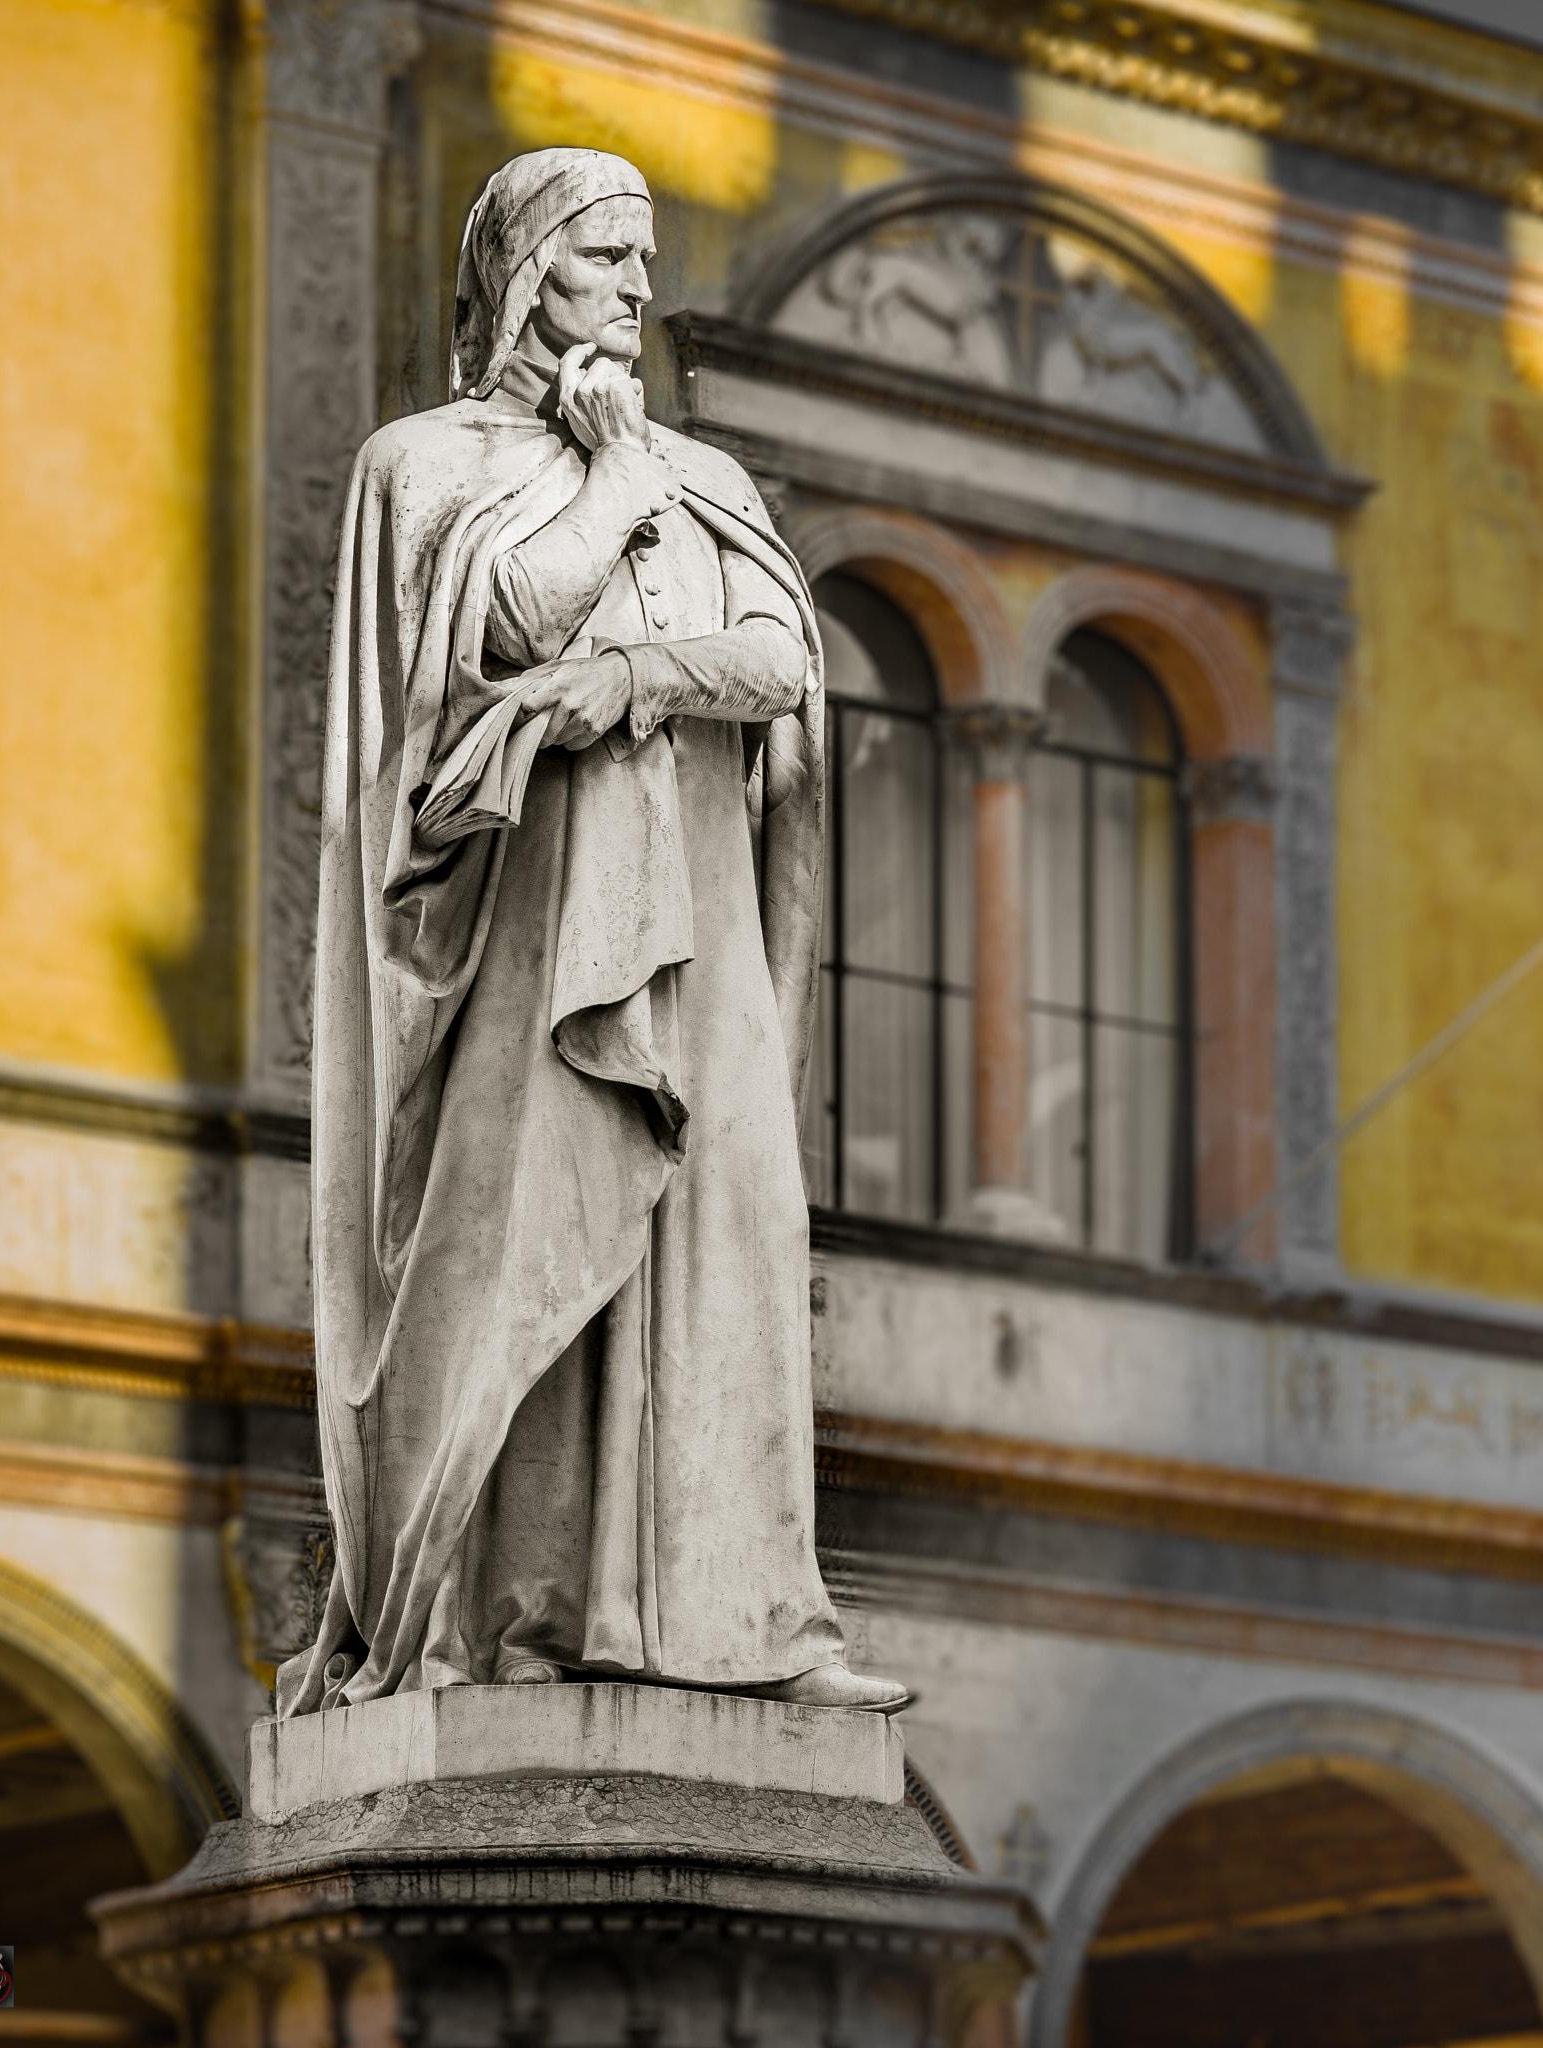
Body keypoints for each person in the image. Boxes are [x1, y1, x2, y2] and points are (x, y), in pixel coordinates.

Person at [278, 148, 906, 1715]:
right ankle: (518, 1619)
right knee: (529, 1253)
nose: (638, 288)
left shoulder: (713, 482)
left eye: (644, 259)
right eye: (605, 256)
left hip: (696, 923)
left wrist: (628, 682)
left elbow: (778, 663)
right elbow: (507, 626)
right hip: (522, 945)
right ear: (523, 274)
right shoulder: (421, 466)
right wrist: (613, 487)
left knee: (729, 1234)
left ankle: (747, 1618)